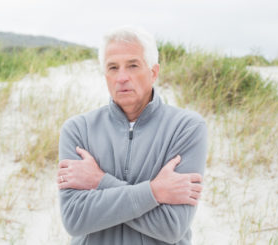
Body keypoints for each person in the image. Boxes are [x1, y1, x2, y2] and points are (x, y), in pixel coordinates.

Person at [57, 26, 207, 245]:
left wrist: (100, 181)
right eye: (113, 68)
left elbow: (171, 226)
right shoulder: (78, 130)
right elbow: (75, 220)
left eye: (133, 65)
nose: (122, 77)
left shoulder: (186, 127)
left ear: (153, 72)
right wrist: (155, 192)